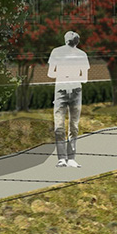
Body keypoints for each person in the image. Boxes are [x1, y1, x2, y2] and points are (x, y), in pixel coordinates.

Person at [47, 30, 90, 168]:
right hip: (65, 90)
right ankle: (64, 158)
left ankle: (68, 158)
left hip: (69, 90)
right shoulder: (75, 54)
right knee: (64, 125)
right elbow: (84, 78)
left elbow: (51, 73)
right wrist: (69, 74)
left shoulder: (79, 54)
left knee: (69, 125)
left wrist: (65, 74)